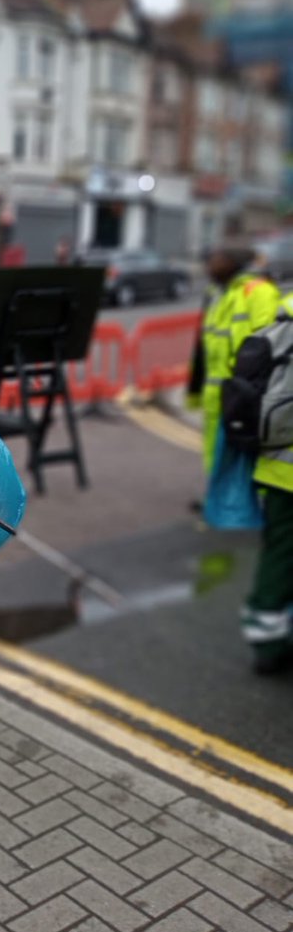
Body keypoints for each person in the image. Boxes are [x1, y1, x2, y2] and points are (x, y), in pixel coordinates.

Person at [187, 241, 279, 481]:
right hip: (217, 393)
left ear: (233, 262)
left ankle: (245, 510)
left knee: (243, 458)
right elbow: (204, 346)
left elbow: (267, 343)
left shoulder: (258, 291)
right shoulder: (216, 293)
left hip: (242, 394)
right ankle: (216, 501)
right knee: (215, 454)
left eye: (216, 258)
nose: (210, 264)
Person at [241, 289, 293, 675]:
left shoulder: (283, 316)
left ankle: (266, 635)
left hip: (276, 461)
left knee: (279, 552)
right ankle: (272, 642)